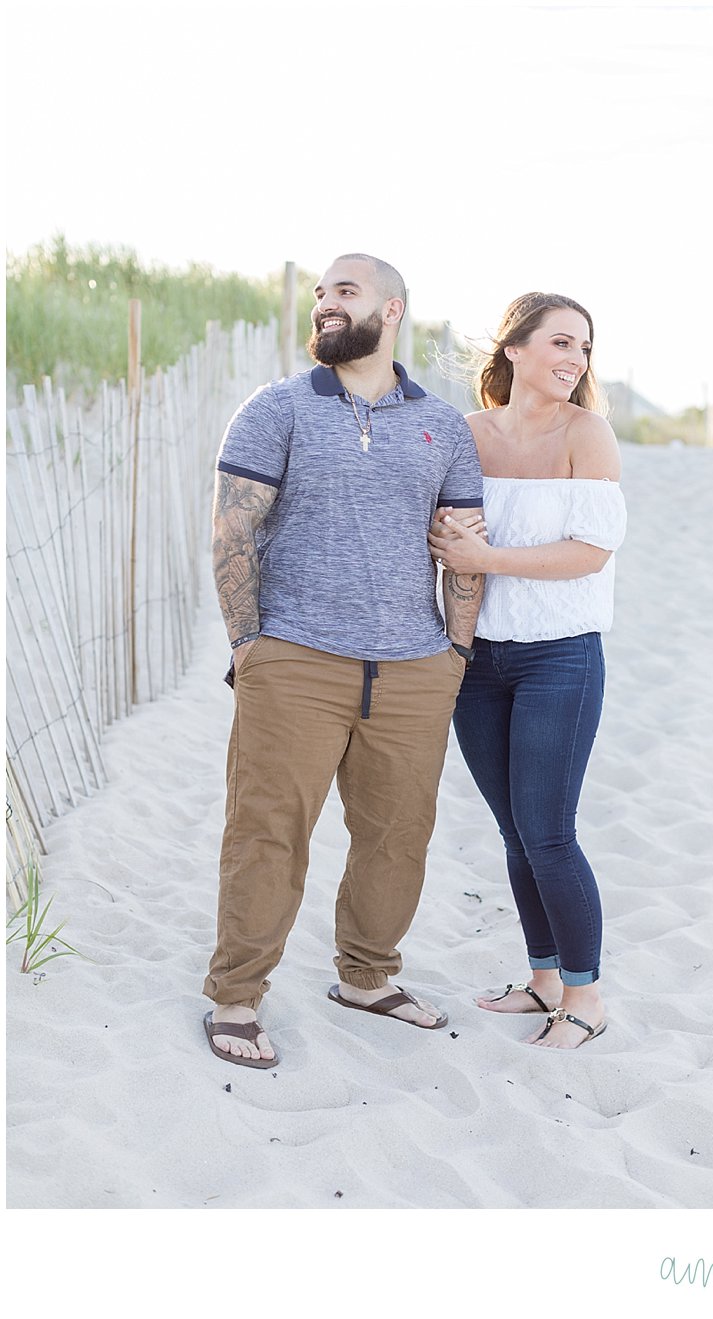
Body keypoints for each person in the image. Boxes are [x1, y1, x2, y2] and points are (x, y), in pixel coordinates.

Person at [203, 253, 485, 1069]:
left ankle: (366, 976)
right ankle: (237, 995)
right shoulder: (277, 407)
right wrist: (249, 646)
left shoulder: (443, 424)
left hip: (414, 668)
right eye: (321, 293)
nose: (326, 305)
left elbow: (463, 546)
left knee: (398, 836)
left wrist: (454, 652)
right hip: (294, 662)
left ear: (391, 310)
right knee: (267, 832)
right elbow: (232, 532)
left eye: (345, 292)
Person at [428, 292, 625, 1050]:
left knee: (548, 832)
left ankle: (585, 997)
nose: (575, 361)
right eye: (560, 343)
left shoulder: (589, 435)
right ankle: (542, 977)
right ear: (513, 349)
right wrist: (448, 539)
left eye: (583, 348)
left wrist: (488, 558)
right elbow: (443, 527)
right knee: (514, 831)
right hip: (479, 659)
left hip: (561, 655)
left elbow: (591, 550)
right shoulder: (467, 433)